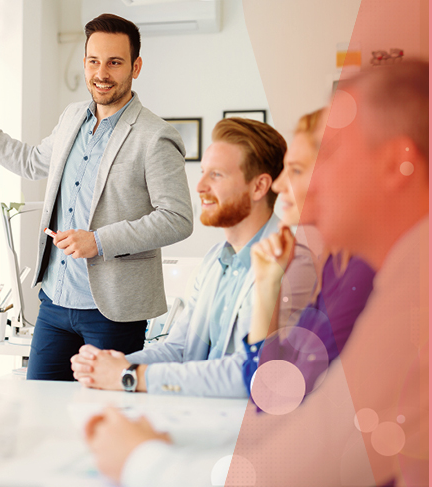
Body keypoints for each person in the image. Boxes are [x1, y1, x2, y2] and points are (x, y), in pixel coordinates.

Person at [84, 61, 429, 487]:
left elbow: (311, 446)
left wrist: (141, 458)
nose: (289, 185)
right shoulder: (370, 269)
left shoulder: (408, 284)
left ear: (397, 166)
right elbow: (281, 389)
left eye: (329, 157)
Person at [0, 14, 194, 380]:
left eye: (114, 62)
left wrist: (99, 241)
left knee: (103, 423)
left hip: (113, 311)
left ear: (135, 67)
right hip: (54, 304)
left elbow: (177, 217)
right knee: (40, 410)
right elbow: (29, 161)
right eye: (93, 61)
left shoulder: (155, 136)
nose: (101, 73)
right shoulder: (72, 116)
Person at [71, 117, 317, 397]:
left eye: (216, 175)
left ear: (259, 187)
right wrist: (110, 366)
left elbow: (249, 374)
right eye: (202, 172)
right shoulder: (215, 260)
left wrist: (130, 375)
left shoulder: (293, 265)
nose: (199, 186)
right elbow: (180, 347)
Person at [241, 108, 375, 404]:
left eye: (297, 170)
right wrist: (268, 286)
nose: (278, 185)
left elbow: (277, 394)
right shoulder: (336, 265)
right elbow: (264, 382)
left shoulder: (365, 271)